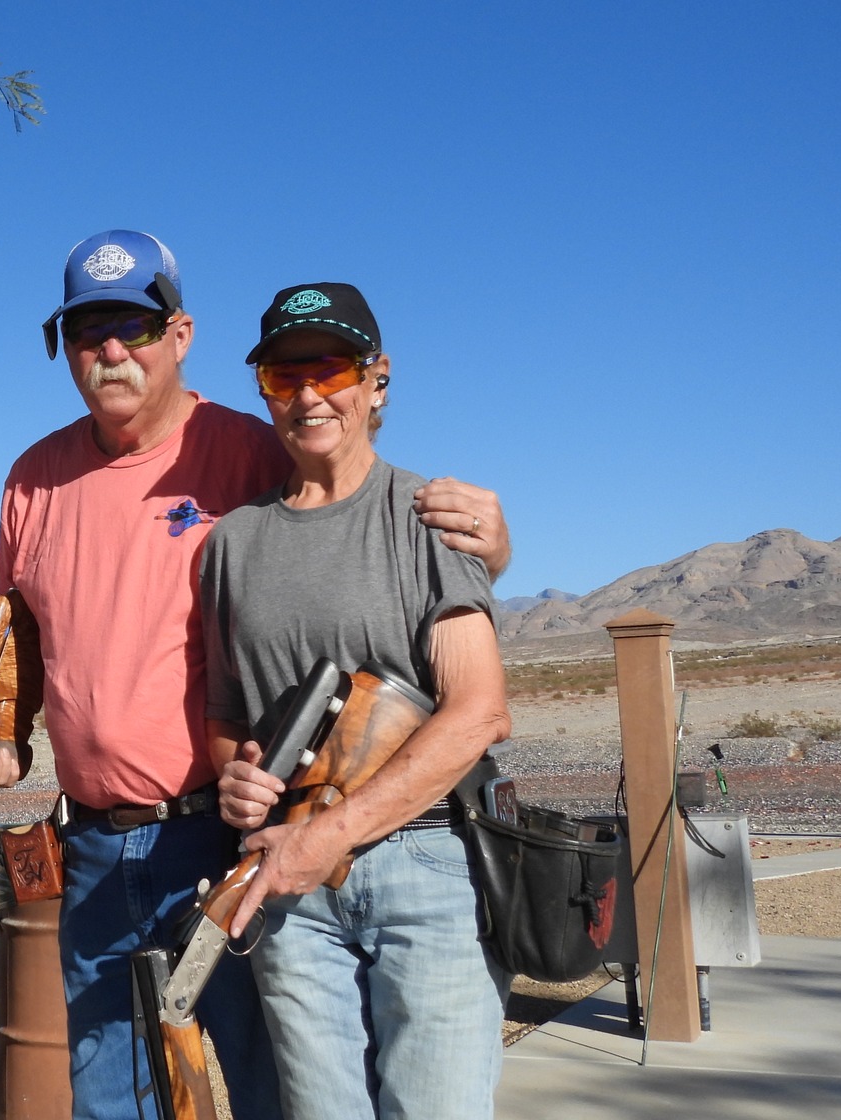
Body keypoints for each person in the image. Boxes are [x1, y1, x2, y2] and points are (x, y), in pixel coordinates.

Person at [0, 231, 512, 1120]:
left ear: (179, 334)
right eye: (86, 330)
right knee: (113, 1091)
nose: (111, 350)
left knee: (276, 1091)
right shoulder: (32, 478)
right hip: (97, 843)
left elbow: (355, 524)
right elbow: (17, 631)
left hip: (219, 840)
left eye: (133, 327)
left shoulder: (254, 450)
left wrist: (490, 549)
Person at [207, 283, 513, 1120]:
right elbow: (226, 717)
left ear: (376, 382)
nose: (308, 395)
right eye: (282, 376)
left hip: (427, 865)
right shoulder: (231, 543)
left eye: (330, 369)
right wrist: (233, 775)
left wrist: (330, 836)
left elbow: (480, 708)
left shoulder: (430, 516)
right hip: (288, 885)